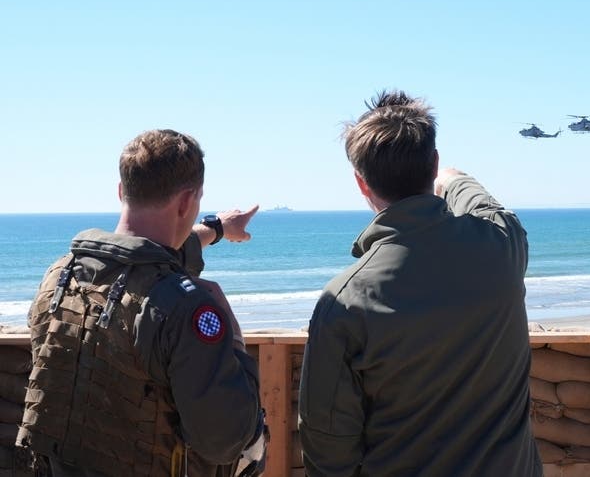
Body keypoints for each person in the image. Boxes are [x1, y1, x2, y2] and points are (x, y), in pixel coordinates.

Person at [298, 91, 542, 476]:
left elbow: (327, 447)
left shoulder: (344, 301)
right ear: (434, 162)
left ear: (361, 183)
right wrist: (453, 179)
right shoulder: (501, 247)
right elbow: (488, 208)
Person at [17, 129, 267, 477]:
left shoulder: (59, 276)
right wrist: (233, 338)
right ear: (186, 203)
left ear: (122, 191)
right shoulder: (186, 308)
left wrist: (217, 229)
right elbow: (224, 440)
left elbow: (140, 257)